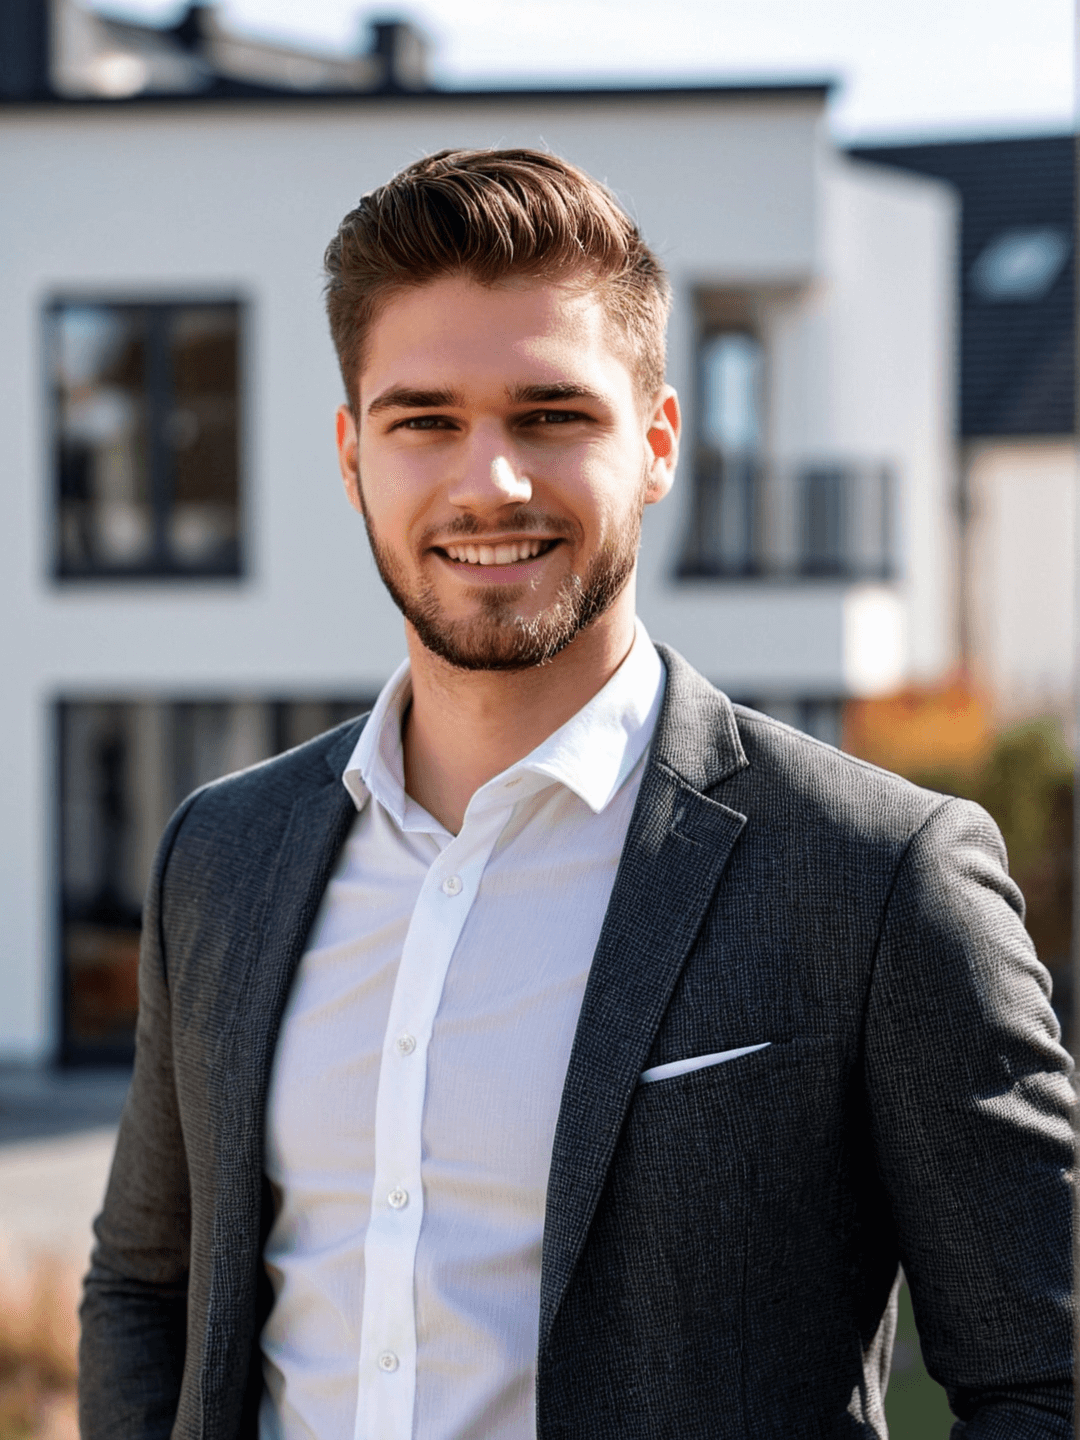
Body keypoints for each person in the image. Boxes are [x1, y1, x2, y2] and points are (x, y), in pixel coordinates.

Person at [79, 148, 1073, 1440]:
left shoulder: (878, 879)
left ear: (658, 442)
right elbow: (144, 1286)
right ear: (351, 455)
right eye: (423, 419)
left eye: (550, 415)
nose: (487, 481)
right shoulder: (219, 854)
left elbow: (1042, 1382)